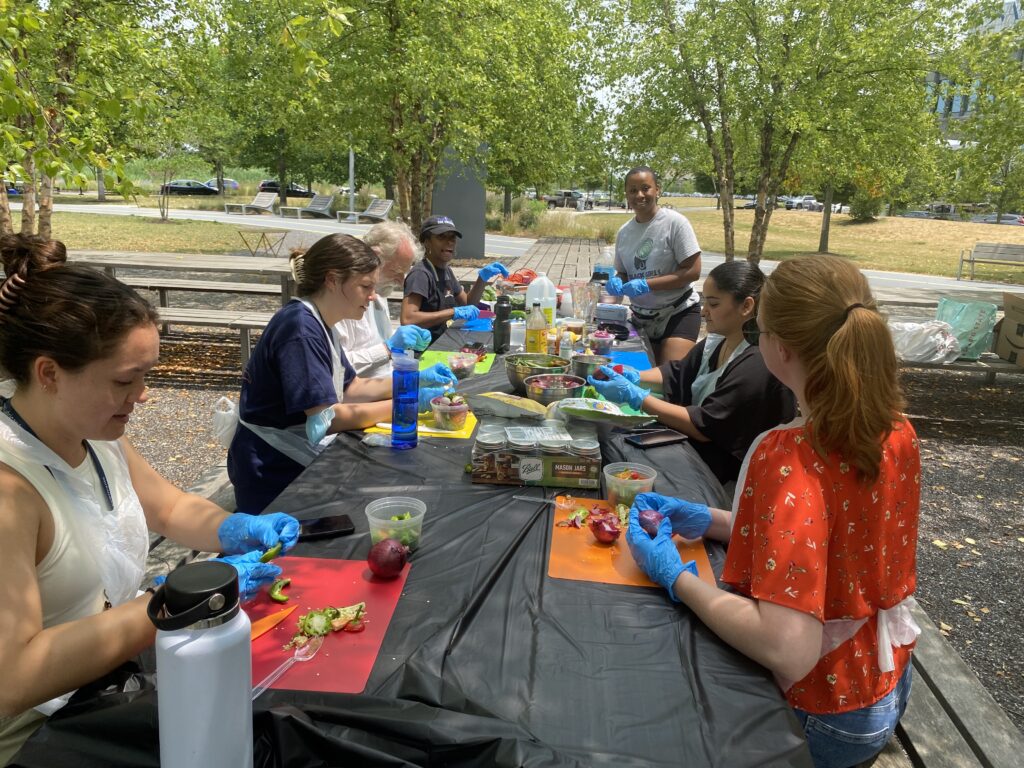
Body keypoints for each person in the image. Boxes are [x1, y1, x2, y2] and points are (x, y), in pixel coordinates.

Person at [0, 234, 300, 763]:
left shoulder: (91, 429)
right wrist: (164, 609)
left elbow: (169, 507)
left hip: (105, 685)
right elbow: (14, 677)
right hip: (38, 735)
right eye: (125, 380)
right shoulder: (10, 492)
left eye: (147, 376)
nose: (143, 396)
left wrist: (235, 527)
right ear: (48, 373)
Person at [625, 255, 921, 768]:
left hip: (819, 708)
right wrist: (715, 520)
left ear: (777, 346)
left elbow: (787, 649)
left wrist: (678, 578)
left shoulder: (787, 455)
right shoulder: (897, 430)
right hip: (885, 681)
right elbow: (833, 535)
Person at [227, 234, 455, 512]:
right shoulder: (300, 329)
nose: (373, 297)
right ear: (333, 280)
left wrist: (413, 382)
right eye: (365, 286)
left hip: (290, 457)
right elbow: (326, 419)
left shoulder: (323, 323)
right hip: (272, 470)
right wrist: (405, 405)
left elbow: (352, 388)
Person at [586, 261, 796, 487]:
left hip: (728, 478)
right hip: (694, 456)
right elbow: (678, 373)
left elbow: (705, 426)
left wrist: (637, 397)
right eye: (705, 301)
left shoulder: (756, 362)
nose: (704, 311)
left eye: (713, 304)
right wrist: (634, 375)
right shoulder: (718, 341)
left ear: (746, 306)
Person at [610, 167, 702, 364]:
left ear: (657, 190)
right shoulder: (624, 232)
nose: (639, 195)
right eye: (633, 190)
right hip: (641, 316)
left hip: (678, 311)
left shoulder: (675, 223)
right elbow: (623, 272)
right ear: (626, 194)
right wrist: (617, 281)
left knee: (669, 378)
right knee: (641, 371)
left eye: (646, 188)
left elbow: (693, 271)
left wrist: (647, 284)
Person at [335, 221, 431, 378]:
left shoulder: (379, 291)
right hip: (362, 394)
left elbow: (379, 338)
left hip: (384, 382)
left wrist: (407, 340)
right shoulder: (343, 298)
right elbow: (338, 368)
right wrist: (388, 348)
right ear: (375, 258)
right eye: (396, 271)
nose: (401, 282)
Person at [401, 215, 509, 344]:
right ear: (426, 241)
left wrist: (482, 279)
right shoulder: (421, 274)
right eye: (441, 237)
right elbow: (407, 319)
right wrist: (452, 312)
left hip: (445, 341)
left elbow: (468, 303)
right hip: (425, 349)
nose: (449, 242)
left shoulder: (446, 271)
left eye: (452, 237)